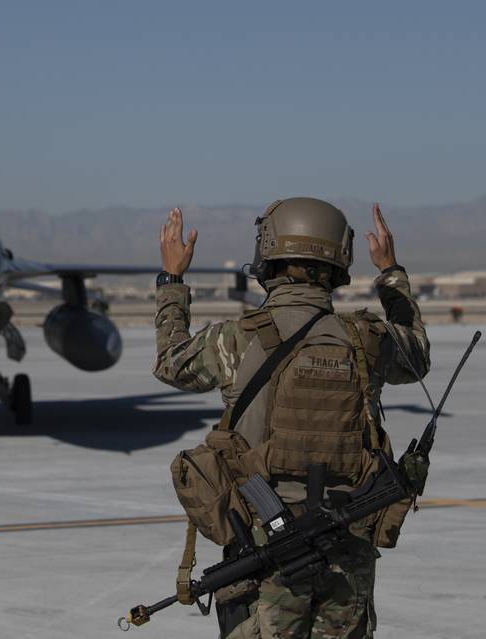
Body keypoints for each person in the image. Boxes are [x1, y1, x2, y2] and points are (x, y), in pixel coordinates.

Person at [153, 199, 430, 639]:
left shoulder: (236, 340)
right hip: (347, 542)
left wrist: (172, 280)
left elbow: (171, 362)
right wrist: (391, 273)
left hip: (261, 543)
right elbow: (418, 353)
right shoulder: (368, 340)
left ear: (267, 255)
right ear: (341, 259)